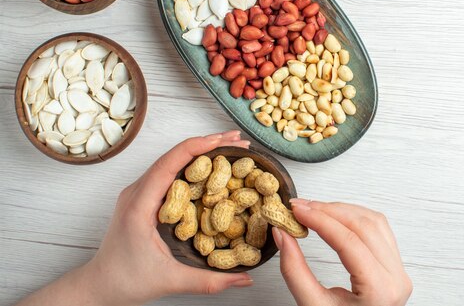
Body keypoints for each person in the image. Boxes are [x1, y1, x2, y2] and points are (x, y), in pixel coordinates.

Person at [15, 131, 413, 306]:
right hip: (221, 214)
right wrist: (99, 288)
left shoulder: (244, 203)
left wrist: (97, 288)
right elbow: (213, 221)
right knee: (212, 229)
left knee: (217, 224)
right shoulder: (217, 206)